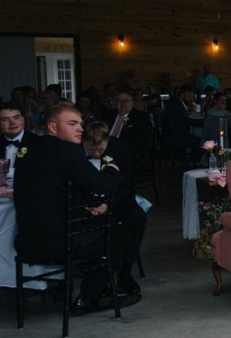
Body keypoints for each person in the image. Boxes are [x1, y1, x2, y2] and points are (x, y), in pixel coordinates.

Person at [12, 104, 140, 315]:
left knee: (101, 227)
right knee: (121, 231)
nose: (80, 128)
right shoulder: (66, 151)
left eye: (81, 123)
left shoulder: (30, 149)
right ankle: (89, 297)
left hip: (26, 241)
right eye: (72, 124)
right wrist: (112, 170)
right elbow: (101, 184)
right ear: (53, 127)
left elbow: (50, 191)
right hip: (60, 243)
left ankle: (92, 281)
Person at [82, 121, 147, 295]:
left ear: (107, 141)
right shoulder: (73, 152)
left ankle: (125, 271)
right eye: (90, 149)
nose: (95, 153)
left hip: (115, 199)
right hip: (83, 202)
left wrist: (107, 205)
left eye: (100, 150)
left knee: (137, 218)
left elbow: (126, 185)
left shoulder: (120, 149)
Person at [0, 102, 42, 185]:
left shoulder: (38, 142)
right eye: (5, 120)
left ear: (23, 119)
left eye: (16, 118)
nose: (12, 123)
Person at [104, 90, 153, 170]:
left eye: (126, 100)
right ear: (115, 103)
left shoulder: (141, 118)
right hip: (106, 150)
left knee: (110, 161)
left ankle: (110, 176)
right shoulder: (108, 115)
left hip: (129, 153)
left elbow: (143, 140)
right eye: (119, 100)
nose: (122, 103)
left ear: (132, 103)